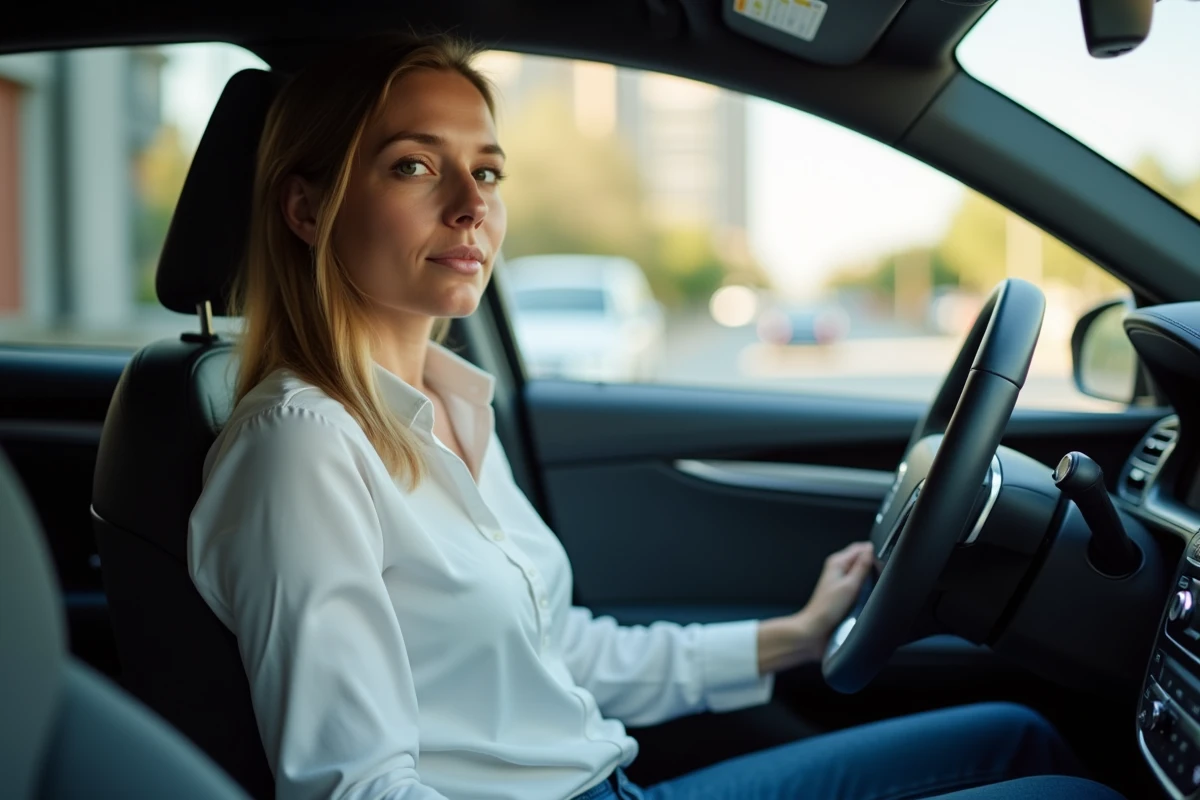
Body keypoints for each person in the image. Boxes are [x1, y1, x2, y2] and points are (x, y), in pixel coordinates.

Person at [187, 33, 1125, 800]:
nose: (472, 205)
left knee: (1016, 737)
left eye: (490, 172)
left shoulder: (448, 404)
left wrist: (797, 634)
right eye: (413, 165)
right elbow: (357, 790)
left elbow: (559, 652)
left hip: (617, 782)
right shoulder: (302, 445)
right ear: (307, 208)